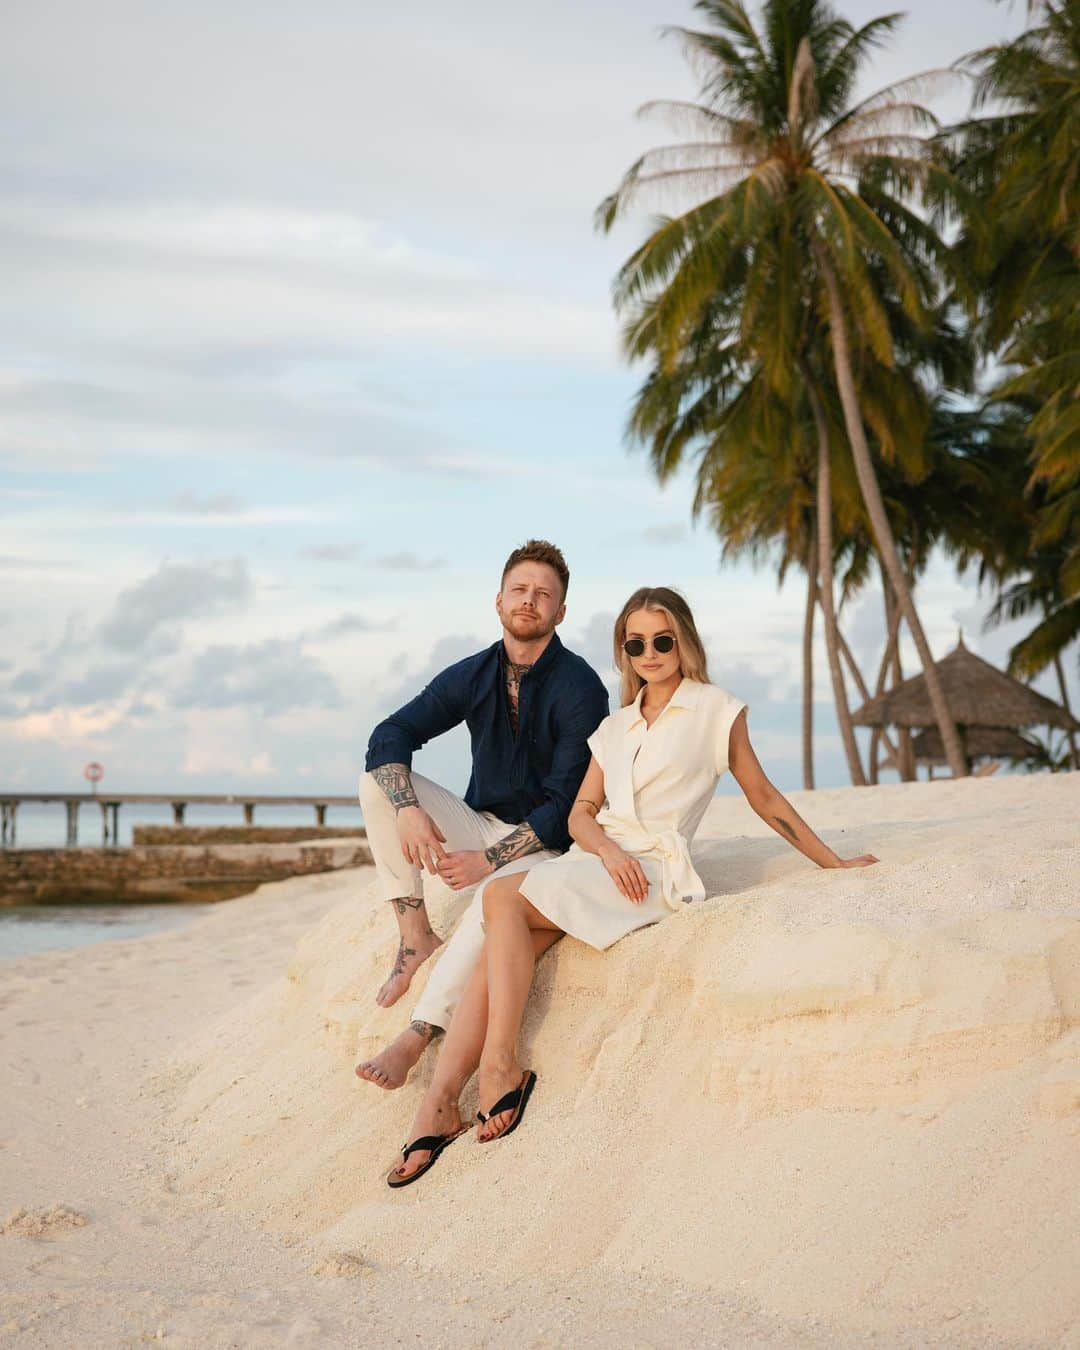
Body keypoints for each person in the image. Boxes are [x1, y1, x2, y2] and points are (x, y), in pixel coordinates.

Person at [387, 585, 878, 1185]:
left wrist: (832, 862)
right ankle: (439, 1103)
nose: (650, 652)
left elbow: (763, 795)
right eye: (636, 642)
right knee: (499, 935)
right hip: (600, 861)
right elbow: (580, 814)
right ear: (623, 651)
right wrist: (605, 850)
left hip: (654, 871)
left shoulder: (718, 710)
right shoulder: (615, 727)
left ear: (684, 642)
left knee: (498, 898)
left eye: (663, 639)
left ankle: (498, 1066)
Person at [355, 539, 608, 1091]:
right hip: (479, 819)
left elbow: (565, 806)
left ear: (560, 612)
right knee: (377, 781)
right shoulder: (473, 673)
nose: (529, 600)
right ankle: (415, 933)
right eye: (519, 589)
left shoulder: (581, 686)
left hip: (547, 843)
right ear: (498, 601)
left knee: (487, 910)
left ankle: (418, 1033)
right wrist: (407, 811)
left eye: (543, 594)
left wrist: (487, 861)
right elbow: (390, 733)